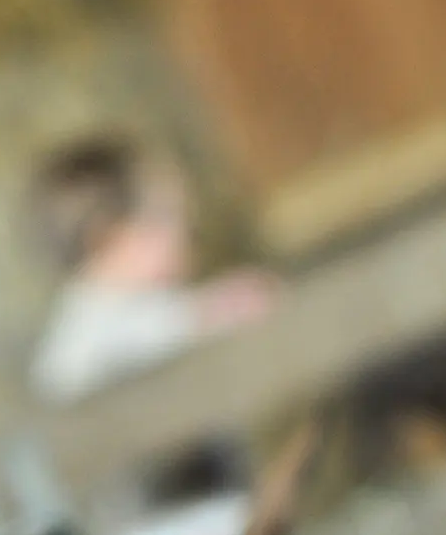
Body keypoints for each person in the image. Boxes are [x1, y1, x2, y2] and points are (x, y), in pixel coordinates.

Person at [26, 136, 277, 405]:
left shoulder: (156, 307)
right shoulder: (78, 348)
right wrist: (211, 313)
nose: (186, 231)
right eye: (163, 217)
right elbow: (151, 337)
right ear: (105, 236)